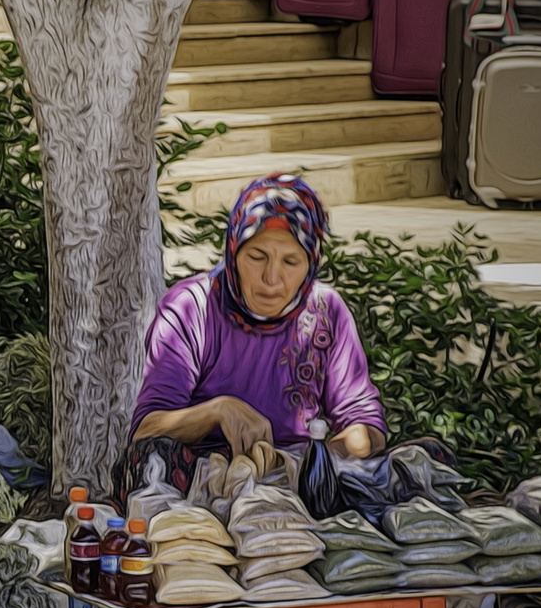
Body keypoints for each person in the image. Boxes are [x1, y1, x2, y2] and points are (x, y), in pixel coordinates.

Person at [125, 174, 386, 489]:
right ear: (233, 252)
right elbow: (146, 431)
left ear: (312, 264)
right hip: (199, 486)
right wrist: (218, 411)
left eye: (291, 261)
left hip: (294, 485)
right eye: (257, 257)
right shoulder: (191, 309)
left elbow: (365, 426)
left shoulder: (325, 312)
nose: (271, 278)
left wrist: (308, 466)